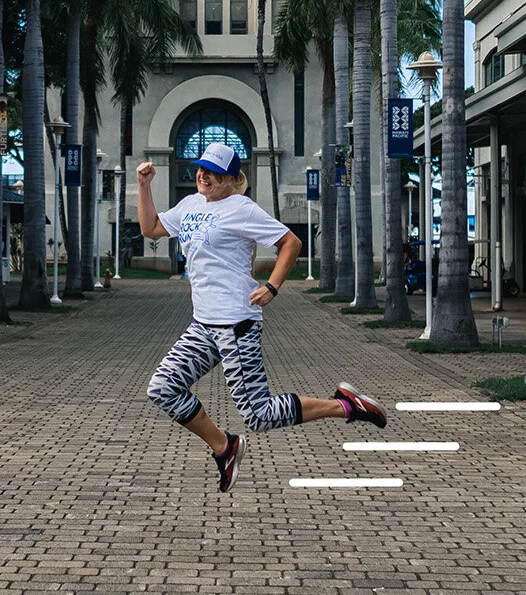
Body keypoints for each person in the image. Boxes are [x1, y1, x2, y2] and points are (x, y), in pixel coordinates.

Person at [137, 142, 387, 493]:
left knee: (259, 414)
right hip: (203, 324)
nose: (203, 176)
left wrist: (272, 286)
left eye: (213, 172)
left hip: (236, 323)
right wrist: (144, 186)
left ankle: (345, 405)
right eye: (201, 169)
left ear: (229, 179)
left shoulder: (242, 209)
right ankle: (225, 447)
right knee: (164, 387)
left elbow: (291, 243)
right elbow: (150, 228)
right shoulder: (190, 204)